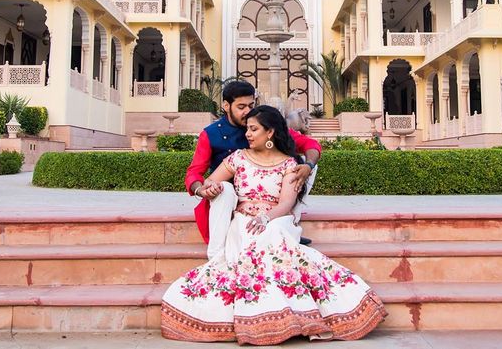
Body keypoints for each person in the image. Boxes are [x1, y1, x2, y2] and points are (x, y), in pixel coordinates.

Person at [161, 106, 386, 345]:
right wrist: (210, 188)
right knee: (252, 237)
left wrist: (265, 218)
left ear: (269, 133)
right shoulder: (238, 158)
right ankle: (267, 317)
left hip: (276, 219)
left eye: (253, 129)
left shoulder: (290, 164)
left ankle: (290, 316)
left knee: (273, 235)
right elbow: (209, 182)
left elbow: (286, 203)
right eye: (247, 129)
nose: (247, 134)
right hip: (243, 221)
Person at [185, 81, 320, 258]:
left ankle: (288, 222)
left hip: (272, 199)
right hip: (227, 198)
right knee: (225, 189)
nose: (247, 111)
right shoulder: (211, 134)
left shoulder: (263, 123)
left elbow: (310, 144)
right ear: (226, 106)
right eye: (241, 107)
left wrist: (308, 165)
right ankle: (217, 255)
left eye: (251, 105)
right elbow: (194, 172)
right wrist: (201, 189)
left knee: (304, 164)